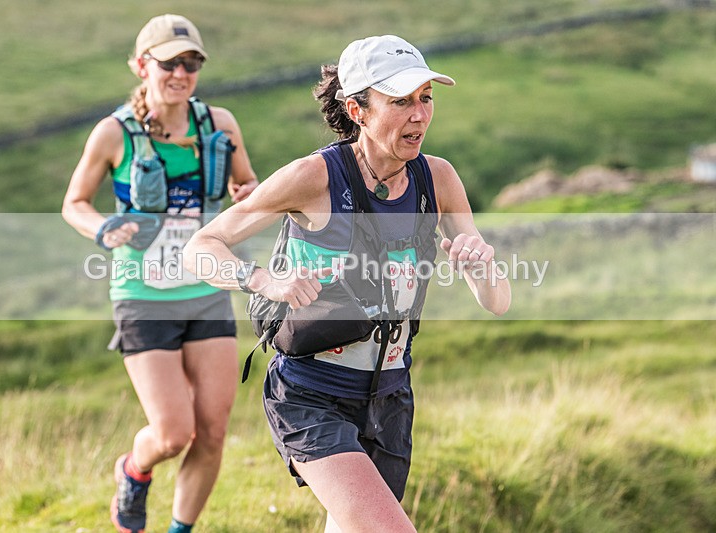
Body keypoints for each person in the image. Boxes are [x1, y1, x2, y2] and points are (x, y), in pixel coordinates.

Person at [184, 34, 510, 532]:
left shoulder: (437, 179)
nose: (419, 115)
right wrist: (262, 280)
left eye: (426, 98)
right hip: (312, 394)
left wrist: (481, 264)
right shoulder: (313, 178)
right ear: (357, 110)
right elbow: (201, 247)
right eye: (400, 101)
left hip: (390, 396)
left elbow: (497, 302)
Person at [62, 14, 258, 533]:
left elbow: (249, 186)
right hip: (142, 294)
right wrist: (103, 228)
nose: (181, 72)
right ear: (142, 64)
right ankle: (133, 469)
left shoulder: (220, 125)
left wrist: (248, 195)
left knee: (213, 430)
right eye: (170, 62)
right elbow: (74, 203)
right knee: (174, 433)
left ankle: (179, 530)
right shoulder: (113, 133)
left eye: (191, 62)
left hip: (207, 290)